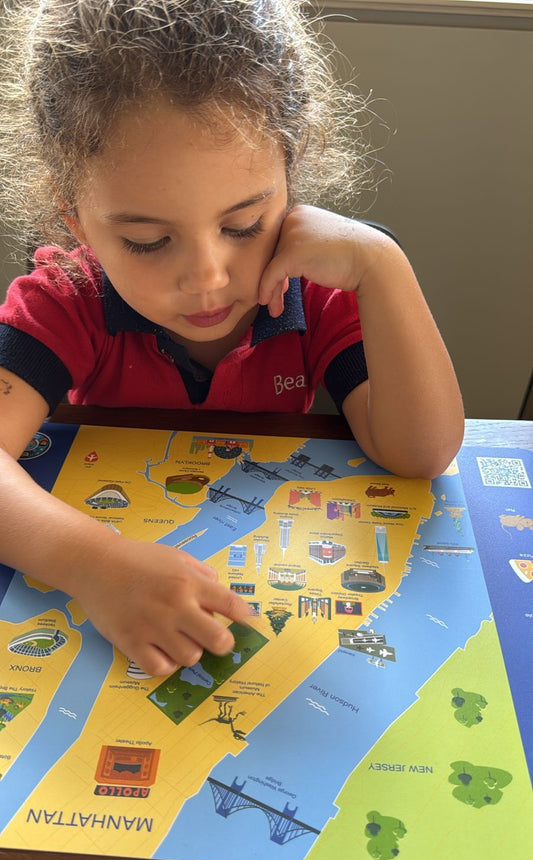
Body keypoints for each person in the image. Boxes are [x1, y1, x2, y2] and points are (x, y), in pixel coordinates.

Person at [0, 0, 464, 676]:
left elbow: (420, 454)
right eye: (147, 242)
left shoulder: (324, 293)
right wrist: (94, 565)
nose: (208, 277)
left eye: (244, 225)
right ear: (77, 220)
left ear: (289, 176)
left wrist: (382, 266)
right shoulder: (65, 302)